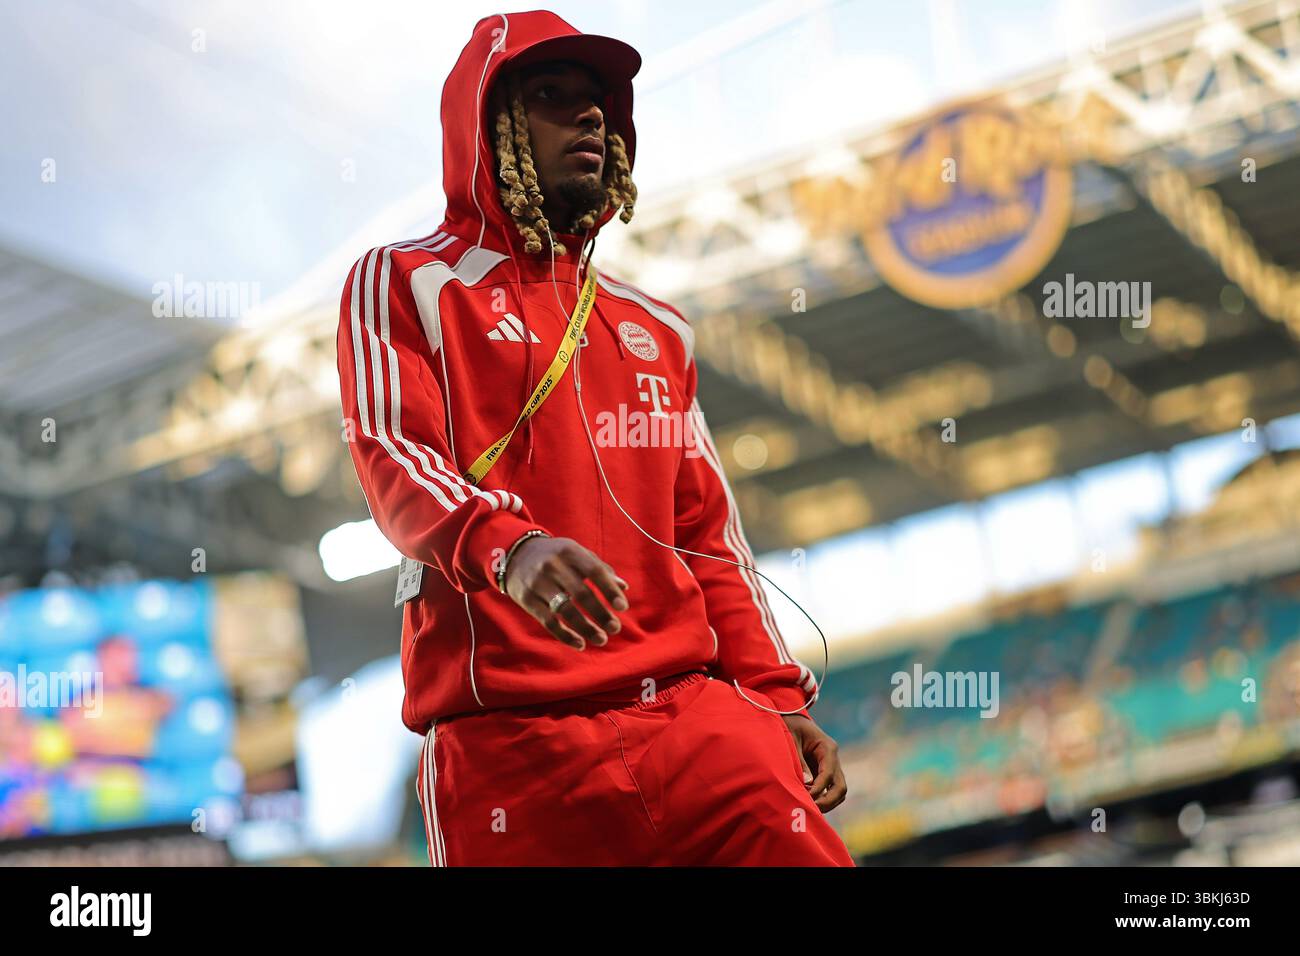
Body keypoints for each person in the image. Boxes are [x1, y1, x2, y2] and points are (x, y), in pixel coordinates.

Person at [336, 9, 853, 866]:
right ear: (485, 123)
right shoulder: (407, 282)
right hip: (510, 749)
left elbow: (708, 538)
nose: (588, 118)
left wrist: (774, 696)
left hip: (698, 723)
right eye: (551, 96)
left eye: (597, 103)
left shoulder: (656, 327)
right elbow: (394, 454)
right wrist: (511, 548)